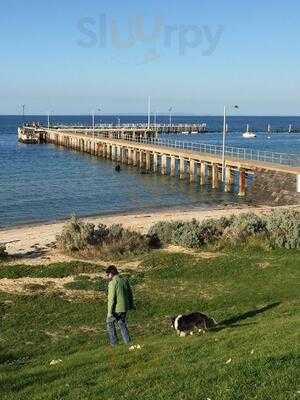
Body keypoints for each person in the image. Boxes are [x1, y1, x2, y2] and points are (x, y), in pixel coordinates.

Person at [105, 265, 134, 346]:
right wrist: (131, 305)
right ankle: (128, 342)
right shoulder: (124, 280)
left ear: (111, 273)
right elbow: (130, 294)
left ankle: (114, 344)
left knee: (109, 323)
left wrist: (109, 313)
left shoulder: (113, 282)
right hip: (124, 307)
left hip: (116, 309)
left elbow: (111, 299)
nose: (107, 277)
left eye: (108, 275)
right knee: (122, 323)